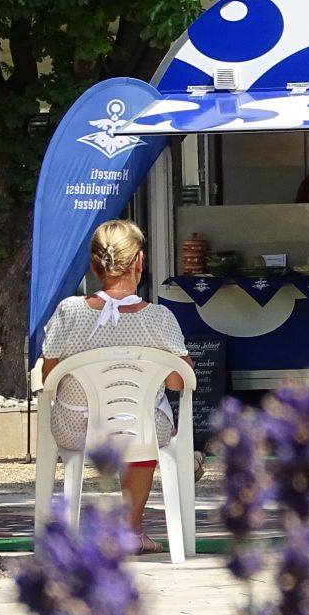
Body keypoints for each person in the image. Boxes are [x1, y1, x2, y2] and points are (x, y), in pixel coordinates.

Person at [39, 220, 190, 555]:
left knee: (141, 425)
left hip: (75, 429)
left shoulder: (69, 312)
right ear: (139, 262)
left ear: (94, 266)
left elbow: (49, 375)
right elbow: (178, 381)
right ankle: (130, 529)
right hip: (139, 430)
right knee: (151, 428)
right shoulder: (159, 318)